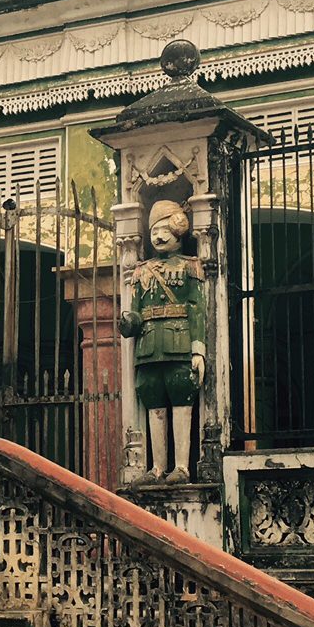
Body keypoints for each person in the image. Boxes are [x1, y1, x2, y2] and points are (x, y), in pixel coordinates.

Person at [119, 199, 206, 483]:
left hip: (179, 343)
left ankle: (181, 467)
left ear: (178, 229)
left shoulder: (191, 266)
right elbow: (135, 311)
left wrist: (198, 350)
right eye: (153, 229)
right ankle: (157, 467)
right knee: (153, 399)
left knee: (181, 396)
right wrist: (128, 322)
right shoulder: (142, 271)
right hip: (148, 347)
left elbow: (196, 308)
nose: (158, 236)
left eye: (163, 229)